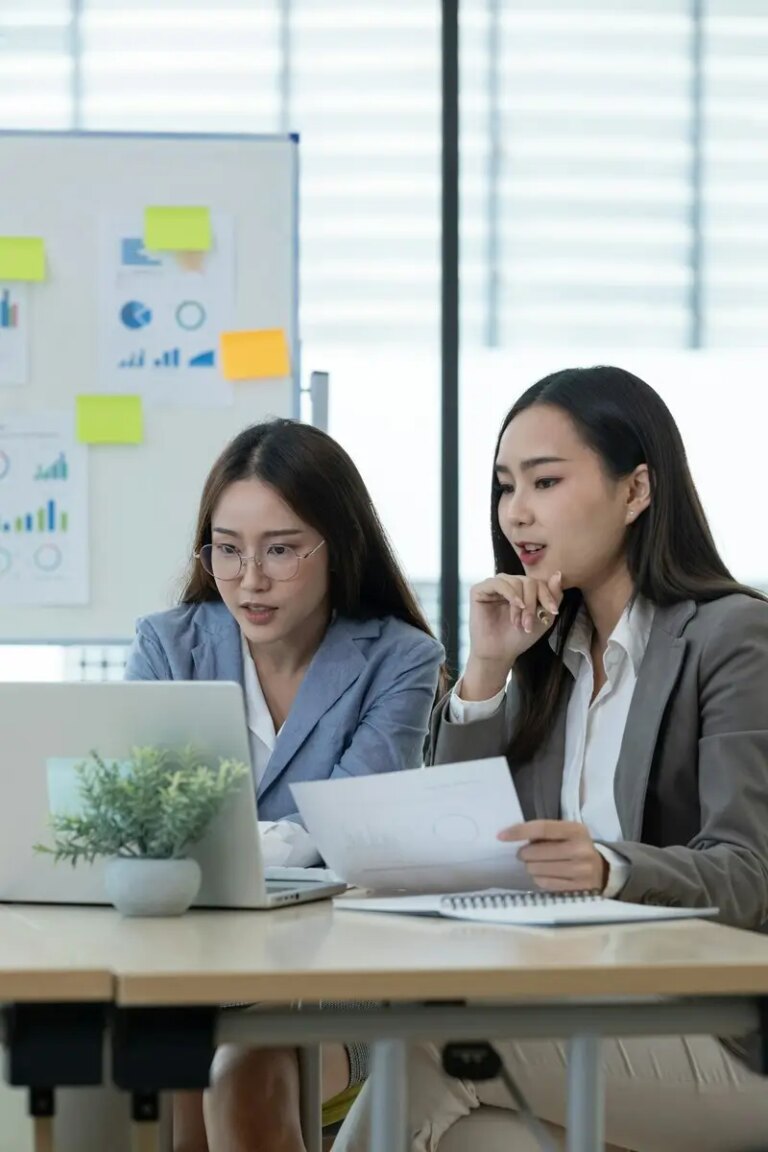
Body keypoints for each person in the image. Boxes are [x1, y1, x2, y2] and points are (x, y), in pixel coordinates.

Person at [334, 365, 768, 1152]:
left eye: (545, 481)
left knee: (428, 1048)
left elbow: (751, 873)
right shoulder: (545, 655)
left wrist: (609, 866)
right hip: (581, 1007)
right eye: (505, 486)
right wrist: (487, 670)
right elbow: (459, 849)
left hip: (725, 1035)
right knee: (482, 1142)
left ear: (637, 491)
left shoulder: (731, 639)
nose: (517, 512)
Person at [124, 417, 444, 1152]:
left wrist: (221, 843)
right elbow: (146, 830)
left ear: (339, 545)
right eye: (228, 551)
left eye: (280, 550)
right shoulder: (168, 645)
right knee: (151, 1078)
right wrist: (280, 843)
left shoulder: (398, 658)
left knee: (244, 1072)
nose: (250, 579)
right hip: (187, 967)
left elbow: (351, 827)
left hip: (329, 972)